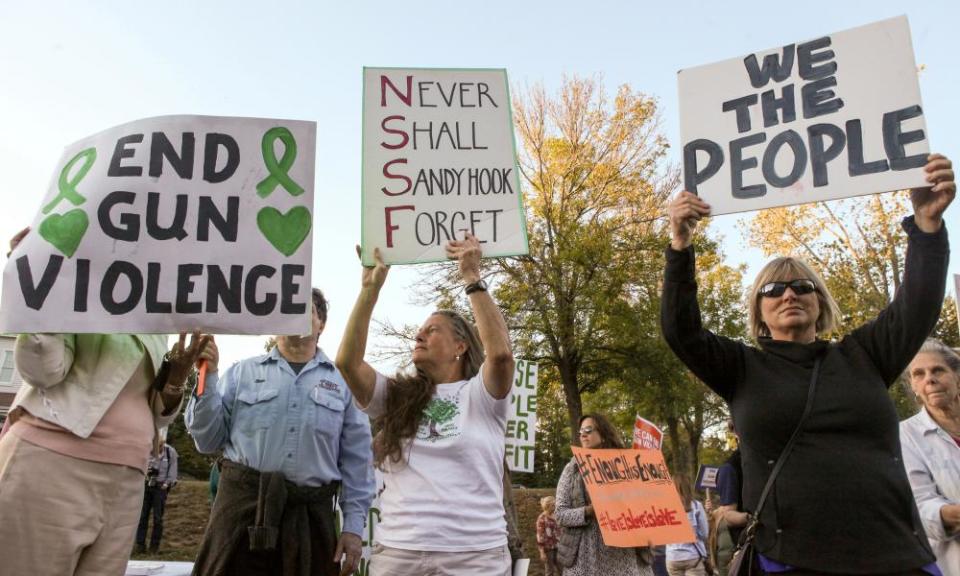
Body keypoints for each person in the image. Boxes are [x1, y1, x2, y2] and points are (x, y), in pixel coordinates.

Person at [661, 153, 954, 574]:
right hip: (791, 559)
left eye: (802, 286)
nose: (789, 294)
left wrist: (926, 225)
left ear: (820, 302)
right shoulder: (741, 368)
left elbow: (918, 306)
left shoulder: (865, 355)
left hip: (894, 556)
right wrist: (680, 245)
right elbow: (680, 332)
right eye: (774, 289)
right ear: (759, 311)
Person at [0, 228, 212, 576]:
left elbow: (153, 415)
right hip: (54, 466)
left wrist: (174, 382)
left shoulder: (158, 316)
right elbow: (42, 371)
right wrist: (35, 291)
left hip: (125, 481)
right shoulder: (77, 278)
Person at [336, 234, 515, 576]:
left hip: (475, 556)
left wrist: (472, 278)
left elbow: (502, 355)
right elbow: (347, 362)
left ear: (460, 346)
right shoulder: (398, 396)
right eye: (419, 332)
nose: (418, 336)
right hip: (400, 554)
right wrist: (369, 290)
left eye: (432, 331)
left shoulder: (482, 395)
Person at [186, 288, 375, 576]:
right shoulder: (240, 373)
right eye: (287, 308)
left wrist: (352, 529)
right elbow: (206, 440)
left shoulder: (344, 383)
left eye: (306, 309)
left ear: (321, 323)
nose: (295, 315)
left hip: (310, 521)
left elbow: (358, 463)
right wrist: (208, 377)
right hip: (240, 516)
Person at [555, 414, 654, 576]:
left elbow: (644, 506)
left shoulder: (628, 465)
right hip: (586, 558)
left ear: (603, 433)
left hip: (624, 555)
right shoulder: (572, 469)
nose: (583, 434)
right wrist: (589, 511)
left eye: (588, 429)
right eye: (581, 432)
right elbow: (560, 515)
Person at [901, 338, 960, 573]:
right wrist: (951, 514)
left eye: (938, 370)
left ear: (957, 376)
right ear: (913, 386)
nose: (930, 379)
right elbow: (919, 509)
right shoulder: (905, 436)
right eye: (919, 374)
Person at [135, 437, 179, 553]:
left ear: (163, 445)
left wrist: (167, 483)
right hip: (146, 485)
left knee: (158, 518)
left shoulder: (170, 452)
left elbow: (173, 471)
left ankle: (154, 547)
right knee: (142, 516)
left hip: (161, 487)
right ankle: (140, 545)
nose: (156, 450)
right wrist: (147, 472)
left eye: (159, 447)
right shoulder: (146, 449)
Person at [665, 473, 709, 576]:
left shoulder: (666, 507)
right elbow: (704, 534)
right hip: (693, 557)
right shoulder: (696, 506)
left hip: (672, 557)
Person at [537, 496, 561, 576]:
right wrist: (542, 552)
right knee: (549, 572)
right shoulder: (542, 518)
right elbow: (540, 536)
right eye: (553, 505)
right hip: (548, 549)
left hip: (558, 547)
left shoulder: (556, 515)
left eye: (555, 505)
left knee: (562, 570)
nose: (555, 507)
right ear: (547, 506)